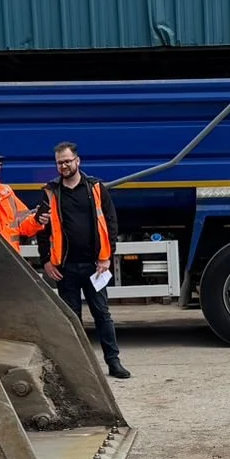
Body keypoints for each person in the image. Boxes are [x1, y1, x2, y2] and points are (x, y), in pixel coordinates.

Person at [38, 141, 130, 379]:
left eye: (68, 161)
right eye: (60, 163)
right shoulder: (51, 192)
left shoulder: (96, 188)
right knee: (72, 320)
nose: (64, 166)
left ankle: (114, 363)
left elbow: (110, 223)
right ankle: (80, 371)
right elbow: (43, 229)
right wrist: (46, 260)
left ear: (78, 161)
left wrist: (106, 257)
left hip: (94, 266)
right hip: (65, 267)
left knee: (102, 314)